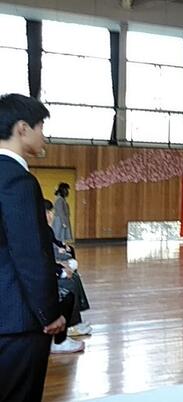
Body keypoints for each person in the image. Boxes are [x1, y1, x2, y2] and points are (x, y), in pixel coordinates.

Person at [0, 93, 65, 402]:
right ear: (22, 128)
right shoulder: (16, 179)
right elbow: (30, 254)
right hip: (17, 321)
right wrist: (50, 313)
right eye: (41, 127)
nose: (44, 137)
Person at [45, 199, 92, 341]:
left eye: (51, 212)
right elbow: (43, 259)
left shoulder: (46, 229)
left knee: (74, 277)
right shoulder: (36, 232)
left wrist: (63, 251)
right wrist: (61, 270)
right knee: (69, 283)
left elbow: (54, 246)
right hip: (45, 273)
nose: (51, 215)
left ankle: (76, 321)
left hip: (51, 266)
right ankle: (69, 326)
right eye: (48, 212)